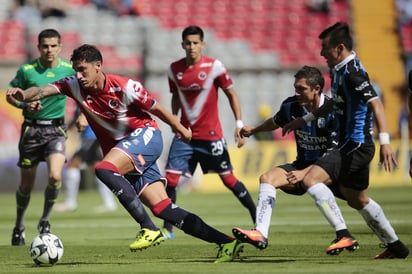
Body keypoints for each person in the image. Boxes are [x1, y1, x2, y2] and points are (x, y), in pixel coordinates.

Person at [7, 44, 244, 263]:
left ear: (98, 65)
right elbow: (40, 91)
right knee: (164, 208)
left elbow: (157, 108)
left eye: (83, 69)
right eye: (76, 70)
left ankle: (149, 228)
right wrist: (23, 95)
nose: (79, 75)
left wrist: (181, 128)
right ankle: (226, 243)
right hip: (125, 152)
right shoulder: (73, 85)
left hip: (145, 137)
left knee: (104, 168)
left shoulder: (124, 86)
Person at [283, 22, 409, 259]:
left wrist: (386, 142)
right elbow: (334, 103)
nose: (321, 53)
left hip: (354, 145)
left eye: (325, 48)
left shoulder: (352, 74)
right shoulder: (339, 69)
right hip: (353, 145)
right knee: (357, 199)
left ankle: (343, 235)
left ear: (340, 48)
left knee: (311, 180)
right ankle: (396, 246)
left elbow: (377, 103)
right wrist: (305, 119)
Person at [161, 25, 256, 239]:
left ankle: (255, 212)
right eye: (188, 43)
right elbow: (176, 95)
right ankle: (168, 228)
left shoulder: (215, 67)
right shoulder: (173, 70)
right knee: (171, 179)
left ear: (202, 44)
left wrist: (239, 123)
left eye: (195, 43)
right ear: (182, 45)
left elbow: (232, 94)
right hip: (184, 135)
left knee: (228, 179)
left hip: (211, 135)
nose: (191, 47)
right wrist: (175, 121)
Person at [232, 66, 341, 250]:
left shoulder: (333, 112)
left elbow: (333, 154)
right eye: (295, 88)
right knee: (267, 179)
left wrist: (307, 174)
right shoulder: (291, 106)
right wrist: (254, 130)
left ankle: (387, 241)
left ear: (317, 89)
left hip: (330, 168)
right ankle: (260, 233)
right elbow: (274, 122)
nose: (296, 93)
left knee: (359, 201)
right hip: (302, 165)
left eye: (301, 89)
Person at [6, 28, 75, 246]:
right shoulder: (27, 71)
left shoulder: (69, 69)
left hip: (56, 130)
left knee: (55, 176)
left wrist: (82, 117)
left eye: (53, 45)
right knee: (27, 185)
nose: (49, 50)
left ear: (60, 47)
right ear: (38, 47)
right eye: (45, 46)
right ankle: (19, 225)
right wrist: (24, 104)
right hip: (32, 131)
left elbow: (85, 94)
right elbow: (10, 96)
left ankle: (45, 220)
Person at [54, 116, 118, 213]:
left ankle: (70, 202)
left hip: (91, 137)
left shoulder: (86, 101)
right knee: (98, 169)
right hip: (94, 137)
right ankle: (109, 203)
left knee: (73, 165)